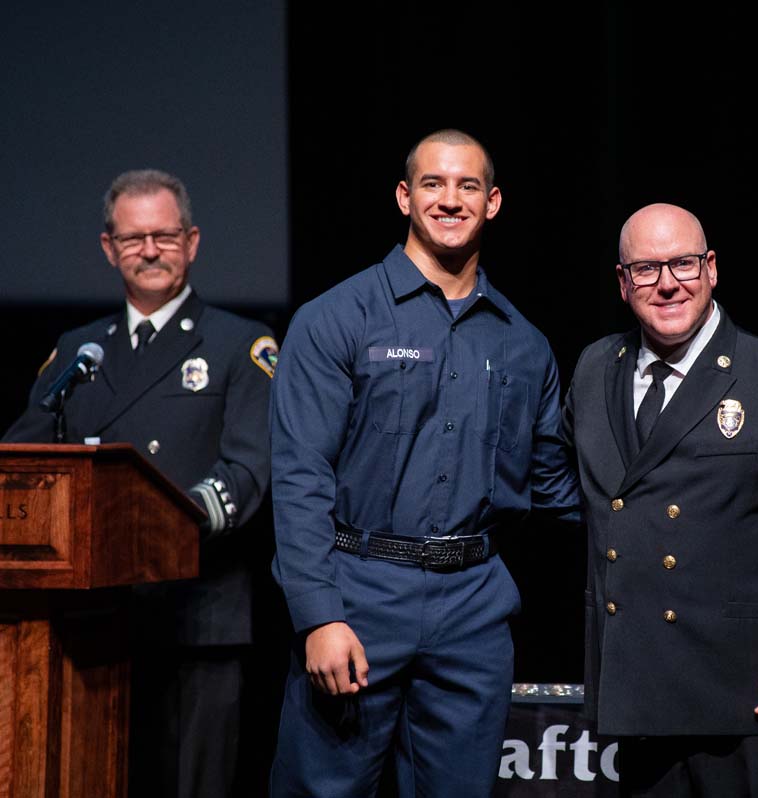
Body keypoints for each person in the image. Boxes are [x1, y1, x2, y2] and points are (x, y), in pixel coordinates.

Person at [268, 129, 578, 797]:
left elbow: (557, 491)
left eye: (468, 185)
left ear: (492, 203)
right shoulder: (337, 319)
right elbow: (300, 478)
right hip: (358, 594)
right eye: (433, 184)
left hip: (473, 609)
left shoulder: (524, 344)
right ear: (405, 197)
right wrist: (319, 616)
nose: (450, 199)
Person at [563, 203, 758, 797]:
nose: (668, 283)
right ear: (623, 283)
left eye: (682, 263)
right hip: (636, 699)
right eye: (647, 269)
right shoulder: (595, 367)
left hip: (747, 703)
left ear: (710, 270)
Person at [2, 169, 276, 798]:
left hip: (198, 619)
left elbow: (249, 472)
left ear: (193, 241)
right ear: (108, 248)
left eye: (164, 236)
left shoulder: (242, 345)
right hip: (88, 622)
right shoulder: (78, 352)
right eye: (133, 239)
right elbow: (21, 464)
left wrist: (157, 528)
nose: (150, 250)